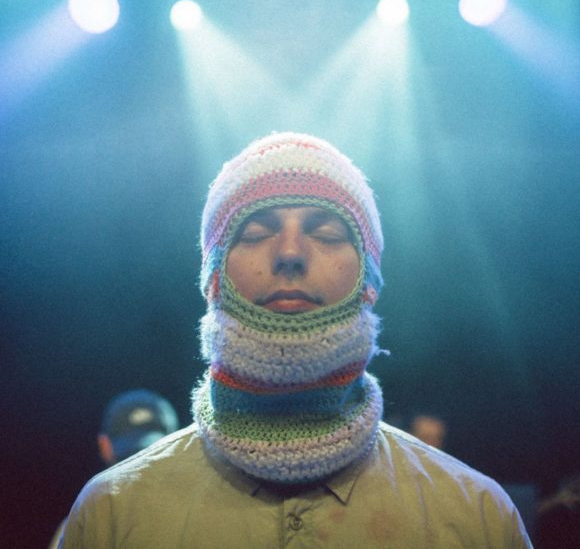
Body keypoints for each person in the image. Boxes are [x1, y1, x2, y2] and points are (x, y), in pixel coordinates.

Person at [60, 132, 531, 547]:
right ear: (213, 278)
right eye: (255, 233)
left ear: (368, 279)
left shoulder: (477, 517)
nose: (289, 252)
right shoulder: (111, 514)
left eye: (326, 234)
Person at [50, 389, 178, 548]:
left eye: (151, 459)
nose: (139, 471)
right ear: (104, 446)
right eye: (128, 460)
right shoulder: (81, 523)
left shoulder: (193, 514)